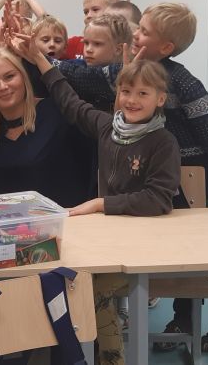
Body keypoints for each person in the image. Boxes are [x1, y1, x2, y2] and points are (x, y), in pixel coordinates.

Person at [53, 2, 208, 353]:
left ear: (165, 47)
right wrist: (46, 62)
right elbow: (83, 76)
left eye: (144, 31)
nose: (136, 33)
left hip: (200, 173)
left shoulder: (183, 80)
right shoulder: (130, 70)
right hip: (165, 171)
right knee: (178, 246)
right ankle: (183, 319)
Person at [15, 30, 179, 365]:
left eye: (143, 93)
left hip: (147, 246)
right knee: (66, 275)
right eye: (126, 91)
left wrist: (101, 204)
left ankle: (111, 358)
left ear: (160, 99)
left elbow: (158, 199)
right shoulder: (108, 128)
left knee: (91, 287)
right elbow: (70, 102)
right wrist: (39, 59)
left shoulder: (163, 142)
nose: (132, 100)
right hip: (109, 239)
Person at [0, 47, 95, 208]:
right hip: (9, 222)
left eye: (9, 76)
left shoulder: (60, 114)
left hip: (69, 219)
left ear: (23, 77)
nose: (3, 86)